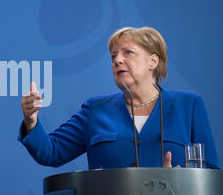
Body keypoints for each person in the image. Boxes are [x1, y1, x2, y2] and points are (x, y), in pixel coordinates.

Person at [19, 27, 219, 169]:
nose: (117, 60)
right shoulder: (94, 109)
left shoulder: (189, 105)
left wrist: (180, 181)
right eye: (113, 56)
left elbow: (210, 171)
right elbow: (52, 152)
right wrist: (31, 120)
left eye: (128, 53)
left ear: (153, 61)